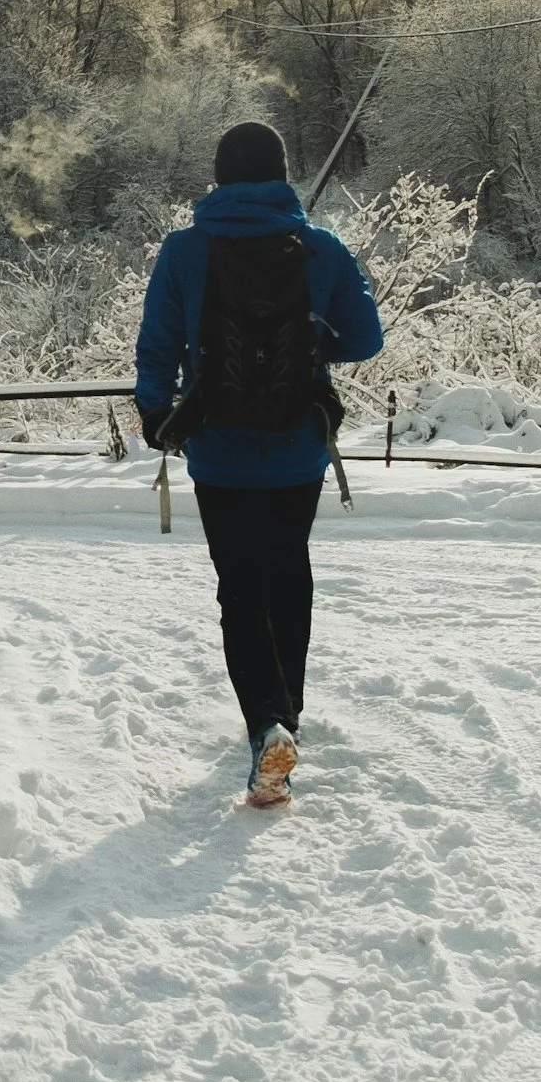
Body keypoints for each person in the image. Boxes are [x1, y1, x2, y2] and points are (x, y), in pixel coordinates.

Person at [134, 120, 383, 808]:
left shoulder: (184, 250)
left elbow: (155, 348)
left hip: (217, 452)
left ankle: (265, 726)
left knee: (239, 588)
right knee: (289, 574)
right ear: (280, 176)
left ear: (218, 178)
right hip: (298, 449)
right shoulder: (319, 247)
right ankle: (288, 718)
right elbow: (366, 338)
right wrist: (313, 319)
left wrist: (157, 414)